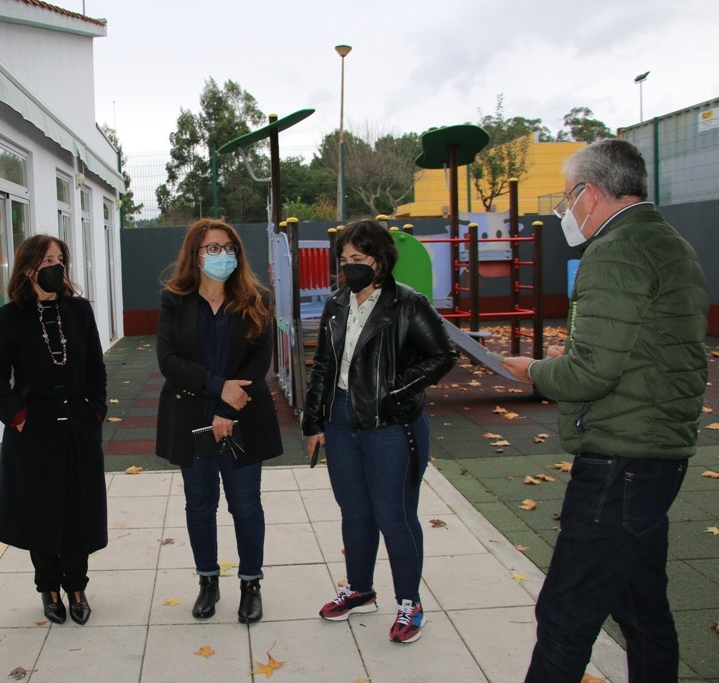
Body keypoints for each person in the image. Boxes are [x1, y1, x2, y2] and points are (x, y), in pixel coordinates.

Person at [502, 138, 708, 683]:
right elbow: (642, 351)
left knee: (565, 615)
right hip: (655, 452)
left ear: (590, 194)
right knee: (641, 607)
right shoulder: (668, 243)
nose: (565, 210)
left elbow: (592, 373)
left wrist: (534, 370)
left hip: (621, 461)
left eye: (567, 197)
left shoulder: (615, 250)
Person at [302, 219, 457, 644]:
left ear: (380, 259)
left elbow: (443, 356)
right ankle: (360, 590)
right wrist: (314, 421)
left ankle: (410, 603)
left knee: (395, 515)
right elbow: (323, 366)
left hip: (390, 425)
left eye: (358, 258)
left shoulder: (407, 303)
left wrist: (395, 390)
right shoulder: (337, 304)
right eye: (344, 259)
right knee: (354, 512)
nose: (349, 266)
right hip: (341, 420)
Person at [155, 218, 283, 624]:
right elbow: (169, 360)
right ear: (195, 254)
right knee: (199, 504)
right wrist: (217, 388)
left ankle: (250, 584)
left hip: (241, 416)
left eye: (229, 248)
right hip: (193, 417)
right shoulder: (175, 299)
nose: (222, 255)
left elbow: (259, 359)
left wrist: (226, 409)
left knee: (245, 505)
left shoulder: (255, 297)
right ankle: (208, 581)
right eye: (213, 248)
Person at [0, 234, 108, 626]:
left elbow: (95, 367)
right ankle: (49, 588)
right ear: (28, 269)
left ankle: (77, 587)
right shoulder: (11, 316)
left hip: (78, 424)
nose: (57, 266)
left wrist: (96, 411)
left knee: (77, 509)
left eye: (60, 258)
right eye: (47, 260)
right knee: (40, 510)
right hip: (33, 428)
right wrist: (16, 416)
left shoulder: (80, 311)